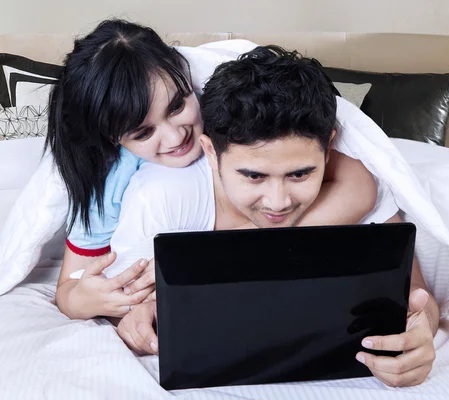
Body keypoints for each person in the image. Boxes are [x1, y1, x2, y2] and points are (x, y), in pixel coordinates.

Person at [110, 46, 439, 387]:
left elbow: (417, 296)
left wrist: (421, 330)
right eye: (253, 176)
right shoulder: (161, 196)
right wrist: (135, 321)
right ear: (211, 152)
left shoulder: (357, 180)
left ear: (328, 148)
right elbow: (119, 303)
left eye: (299, 174)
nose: (278, 202)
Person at [46, 19, 379, 320]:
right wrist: (81, 303)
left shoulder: (230, 107)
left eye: (177, 106)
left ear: (185, 74)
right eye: (143, 133)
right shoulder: (110, 180)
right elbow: (67, 288)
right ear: (115, 138)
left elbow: (362, 182)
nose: (176, 136)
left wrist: (231, 250)